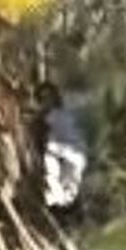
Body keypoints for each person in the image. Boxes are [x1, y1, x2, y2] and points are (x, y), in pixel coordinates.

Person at [36, 83, 88, 223]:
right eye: (42, 98)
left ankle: (66, 213)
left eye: (48, 97)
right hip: (62, 155)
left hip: (68, 155)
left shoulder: (58, 116)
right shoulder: (53, 115)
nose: (45, 101)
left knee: (65, 188)